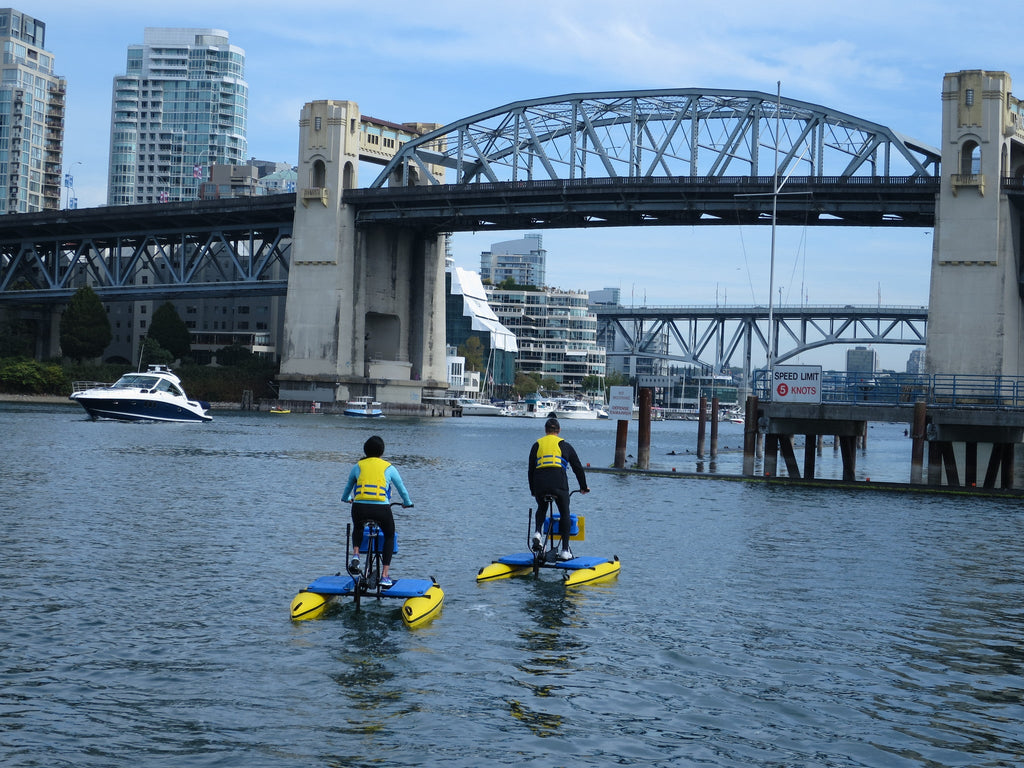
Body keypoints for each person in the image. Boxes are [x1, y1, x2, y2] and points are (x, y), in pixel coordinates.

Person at [341, 435, 413, 588]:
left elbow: (348, 488)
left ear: (365, 451)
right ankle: (385, 576)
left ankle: (356, 554)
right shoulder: (389, 467)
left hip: (359, 507)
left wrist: (346, 498)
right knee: (389, 535)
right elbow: (402, 489)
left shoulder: (358, 466)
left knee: (358, 527)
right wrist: (407, 503)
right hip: (381, 508)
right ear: (382, 452)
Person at [528, 417, 589, 560]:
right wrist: (583, 487)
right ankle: (564, 551)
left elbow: (530, 470)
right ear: (559, 431)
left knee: (541, 507)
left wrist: (533, 490)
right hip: (558, 484)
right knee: (564, 513)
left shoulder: (537, 445)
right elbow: (578, 468)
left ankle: (537, 532)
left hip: (540, 484)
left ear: (545, 431)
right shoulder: (565, 445)